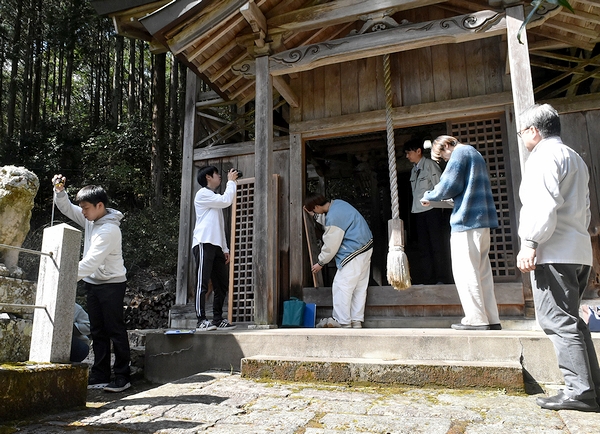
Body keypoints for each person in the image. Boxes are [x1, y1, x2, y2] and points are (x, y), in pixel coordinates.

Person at [516, 103, 600, 412]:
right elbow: (586, 209)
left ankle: (578, 390)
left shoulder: (543, 157)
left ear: (534, 132)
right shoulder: (573, 157)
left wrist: (530, 242)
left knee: (557, 321)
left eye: (522, 132)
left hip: (553, 250)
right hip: (578, 248)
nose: (522, 138)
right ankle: (591, 389)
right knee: (572, 322)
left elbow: (542, 205)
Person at [52, 175, 131, 392]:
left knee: (115, 329)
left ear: (100, 205)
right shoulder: (91, 219)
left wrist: (62, 276)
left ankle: (123, 375)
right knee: (97, 330)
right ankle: (100, 374)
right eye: (82, 208)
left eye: (86, 208)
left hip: (112, 284)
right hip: (93, 283)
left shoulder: (109, 230)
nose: (83, 212)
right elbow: (67, 208)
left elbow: (90, 262)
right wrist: (59, 191)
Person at [421, 136, 501, 331]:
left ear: (447, 145)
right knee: (482, 273)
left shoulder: (459, 153)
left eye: (443, 156)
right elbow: (464, 191)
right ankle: (491, 318)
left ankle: (475, 319)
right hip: (482, 222)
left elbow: (449, 184)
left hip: (466, 222)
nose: (445, 160)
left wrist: (429, 195)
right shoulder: (476, 154)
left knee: (466, 272)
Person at [303, 195, 373, 329]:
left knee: (341, 286)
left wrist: (321, 262)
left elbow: (331, 244)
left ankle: (343, 322)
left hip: (353, 251)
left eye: (314, 210)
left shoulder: (334, 217)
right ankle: (356, 321)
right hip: (365, 248)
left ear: (317, 207)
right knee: (358, 287)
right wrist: (315, 216)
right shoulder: (339, 204)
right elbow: (331, 221)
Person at [193, 166, 240, 331]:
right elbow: (226, 200)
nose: (219, 177)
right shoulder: (203, 194)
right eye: (216, 174)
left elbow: (219, 226)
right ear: (208, 177)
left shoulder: (213, 197)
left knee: (221, 284)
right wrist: (231, 182)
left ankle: (218, 319)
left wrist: (225, 248)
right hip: (203, 242)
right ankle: (201, 320)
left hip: (217, 245)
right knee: (203, 282)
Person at [404, 138, 450, 284]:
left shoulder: (430, 165)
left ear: (418, 151)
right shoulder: (413, 170)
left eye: (408, 152)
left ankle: (441, 278)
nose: (407, 156)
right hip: (418, 212)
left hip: (432, 210)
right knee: (423, 247)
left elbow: (440, 187)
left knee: (437, 245)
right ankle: (428, 279)